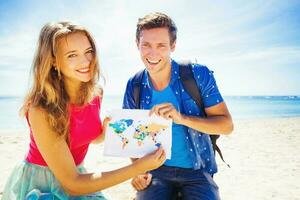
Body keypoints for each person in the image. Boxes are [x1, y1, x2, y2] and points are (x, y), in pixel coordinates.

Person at [2, 21, 166, 200]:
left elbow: (86, 139)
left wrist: (104, 131)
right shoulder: (40, 109)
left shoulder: (96, 93)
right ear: (53, 61)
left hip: (78, 173)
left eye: (89, 52)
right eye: (72, 55)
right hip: (45, 183)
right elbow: (72, 184)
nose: (86, 62)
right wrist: (137, 168)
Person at [122, 12, 234, 200]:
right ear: (137, 45)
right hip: (155, 170)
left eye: (161, 46)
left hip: (198, 170)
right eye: (146, 45)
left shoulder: (198, 74)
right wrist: (137, 170)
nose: (153, 53)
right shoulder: (134, 84)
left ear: (173, 46)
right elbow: (131, 138)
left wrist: (182, 118)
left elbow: (226, 125)